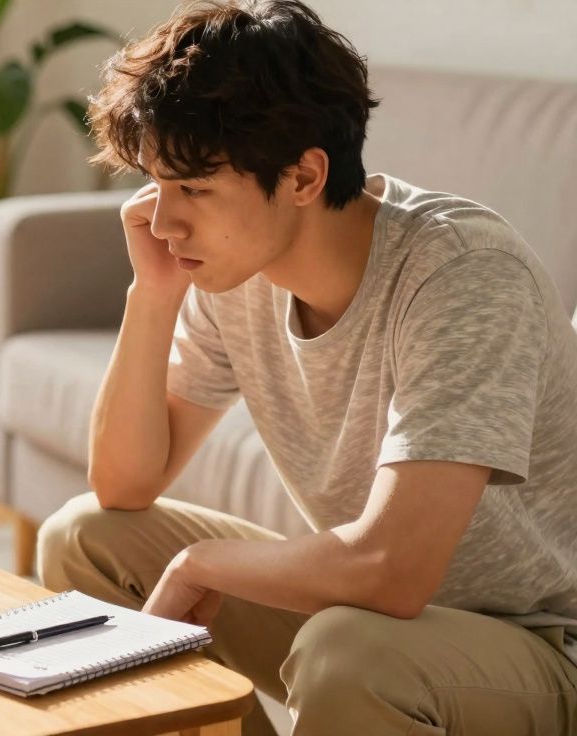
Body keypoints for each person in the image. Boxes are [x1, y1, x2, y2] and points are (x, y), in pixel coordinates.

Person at [35, 1, 577, 733]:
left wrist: (201, 562)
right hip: (374, 618)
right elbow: (123, 483)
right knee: (85, 539)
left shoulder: (463, 273)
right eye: (156, 183)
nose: (164, 223)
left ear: (303, 176)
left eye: (193, 188)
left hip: (540, 644)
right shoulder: (233, 270)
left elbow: (393, 569)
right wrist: (153, 293)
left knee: (345, 651)